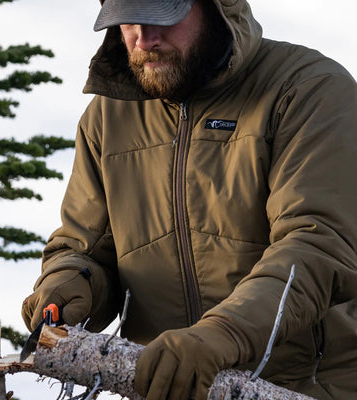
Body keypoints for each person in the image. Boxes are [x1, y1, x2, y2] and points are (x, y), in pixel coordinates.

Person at [22, 0, 357, 399]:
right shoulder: (107, 118)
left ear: (217, 8)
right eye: (128, 21)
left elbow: (317, 245)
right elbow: (86, 248)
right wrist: (69, 285)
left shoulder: (307, 89)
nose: (145, 40)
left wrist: (219, 336)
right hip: (167, 385)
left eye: (163, 18)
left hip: (308, 387)